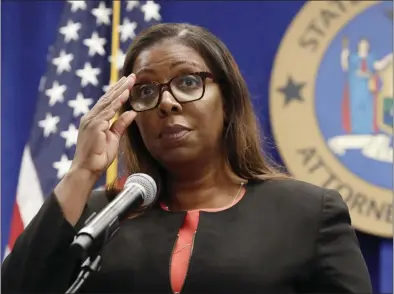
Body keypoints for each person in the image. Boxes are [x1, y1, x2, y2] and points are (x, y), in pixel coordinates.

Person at [2, 23, 372, 294]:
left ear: (227, 99)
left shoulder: (306, 212)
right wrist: (82, 173)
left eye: (189, 82)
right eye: (146, 91)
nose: (167, 102)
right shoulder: (100, 216)